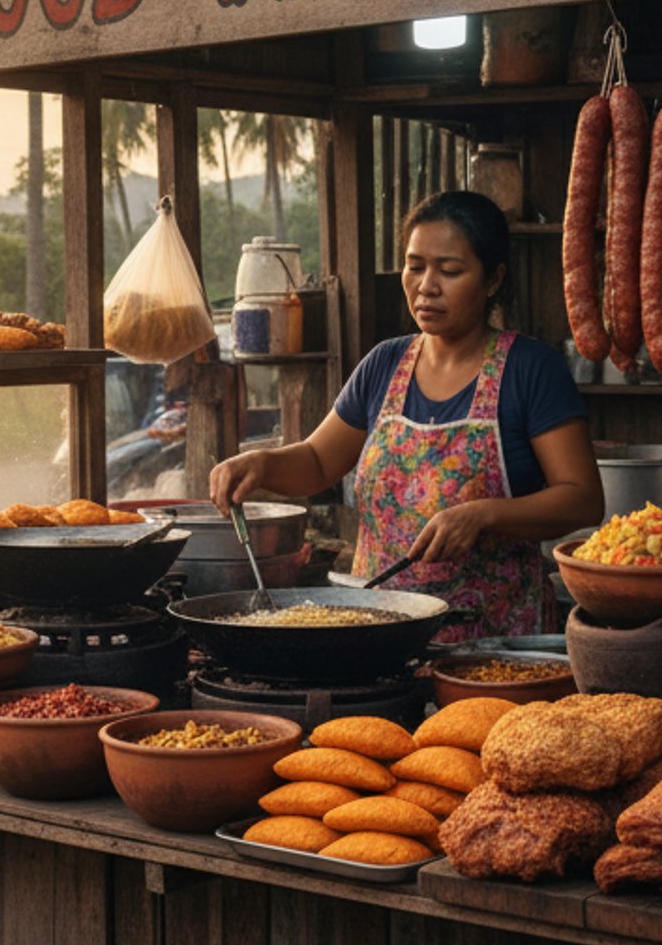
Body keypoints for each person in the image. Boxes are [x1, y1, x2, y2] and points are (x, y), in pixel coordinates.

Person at [210, 190, 603, 639]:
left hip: (493, 642)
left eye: (450, 270)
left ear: (493, 280)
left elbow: (583, 497)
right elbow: (318, 462)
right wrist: (261, 464)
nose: (426, 285)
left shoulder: (530, 369)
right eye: (415, 266)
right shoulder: (385, 364)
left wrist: (484, 515)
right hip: (380, 632)